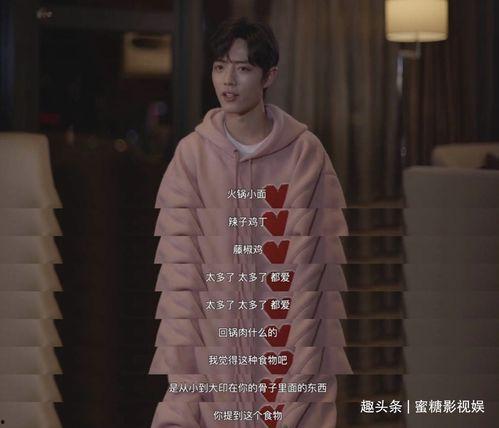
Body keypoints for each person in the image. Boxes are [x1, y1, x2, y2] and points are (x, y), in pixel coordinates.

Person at [151, 17, 350, 427]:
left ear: (268, 77)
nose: (228, 80)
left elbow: (314, 279)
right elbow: (179, 280)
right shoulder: (191, 156)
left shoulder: (305, 154)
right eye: (220, 67)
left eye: (242, 68)